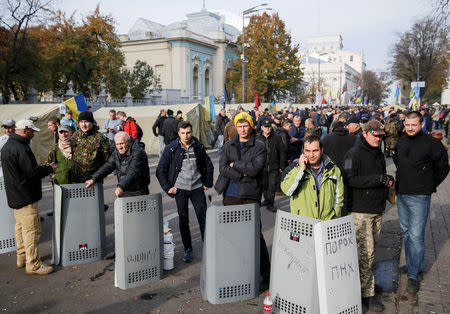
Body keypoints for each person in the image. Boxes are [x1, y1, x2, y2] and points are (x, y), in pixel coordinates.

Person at [393, 111, 449, 293]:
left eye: (414, 125)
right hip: (402, 194)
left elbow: (443, 168)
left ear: (422, 124)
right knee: (406, 232)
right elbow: (397, 160)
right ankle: (411, 266)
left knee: (416, 236)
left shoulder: (432, 144)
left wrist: (429, 185)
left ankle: (414, 275)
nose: (410, 128)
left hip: (420, 197)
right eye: (407, 125)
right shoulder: (401, 141)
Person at [214, 112, 271, 291]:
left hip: (250, 195)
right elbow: (222, 167)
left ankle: (266, 274)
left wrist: (235, 165)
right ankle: (235, 271)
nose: (242, 129)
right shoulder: (229, 145)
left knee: (255, 234)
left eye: (245, 125)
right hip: (230, 195)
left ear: (251, 126)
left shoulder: (259, 146)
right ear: (236, 127)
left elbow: (255, 169)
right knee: (232, 235)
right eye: (239, 126)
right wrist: (241, 172)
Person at [343, 119, 392, 312]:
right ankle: (367, 294)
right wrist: (376, 179)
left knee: (369, 254)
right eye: (375, 135)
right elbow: (348, 179)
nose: (378, 139)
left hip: (376, 209)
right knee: (366, 253)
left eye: (381, 136)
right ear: (365, 133)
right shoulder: (353, 153)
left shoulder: (378, 152)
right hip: (360, 211)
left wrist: (387, 180)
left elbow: (380, 175)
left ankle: (365, 286)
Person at [1, 120, 56, 275]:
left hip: (15, 195)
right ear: (25, 131)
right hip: (25, 195)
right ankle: (34, 264)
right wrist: (49, 168)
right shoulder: (21, 148)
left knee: (20, 228)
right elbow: (31, 172)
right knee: (31, 230)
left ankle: (22, 257)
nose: (33, 135)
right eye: (32, 132)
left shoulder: (8, 146)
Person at [156, 121, 214, 262]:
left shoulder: (198, 146)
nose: (186, 136)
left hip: (197, 188)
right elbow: (160, 170)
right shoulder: (171, 148)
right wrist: (169, 187)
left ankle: (209, 248)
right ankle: (188, 249)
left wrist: (207, 183)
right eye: (183, 133)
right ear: (178, 133)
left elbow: (209, 165)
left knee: (204, 219)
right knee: (183, 220)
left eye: (188, 132)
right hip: (180, 189)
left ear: (192, 132)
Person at [281, 135, 344, 220]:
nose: (311, 155)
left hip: (325, 223)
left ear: (322, 150)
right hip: (302, 225)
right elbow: (287, 190)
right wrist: (301, 169)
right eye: (307, 151)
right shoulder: (294, 167)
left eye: (315, 151)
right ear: (303, 151)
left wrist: (334, 213)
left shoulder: (333, 169)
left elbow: (339, 195)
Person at [86, 131, 150, 197]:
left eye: (121, 143)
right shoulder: (117, 152)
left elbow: (132, 172)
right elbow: (108, 166)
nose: (119, 147)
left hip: (138, 191)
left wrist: (120, 186)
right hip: (124, 189)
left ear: (129, 143)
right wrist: (94, 178)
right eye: (117, 144)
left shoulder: (138, 152)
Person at [71, 111, 111, 183]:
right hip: (76, 179)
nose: (83, 125)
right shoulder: (75, 136)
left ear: (91, 122)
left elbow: (107, 159)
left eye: (86, 122)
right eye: (81, 122)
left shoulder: (100, 138)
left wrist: (99, 175)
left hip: (93, 179)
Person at [257, 118, 286, 212]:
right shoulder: (258, 139)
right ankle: (266, 200)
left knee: (272, 185)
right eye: (265, 127)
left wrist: (282, 166)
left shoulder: (277, 137)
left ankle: (271, 203)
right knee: (264, 185)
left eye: (269, 126)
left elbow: (282, 152)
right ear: (262, 127)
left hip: (274, 166)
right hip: (262, 167)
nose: (267, 128)